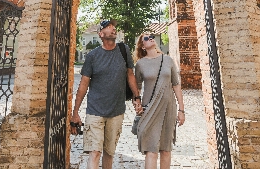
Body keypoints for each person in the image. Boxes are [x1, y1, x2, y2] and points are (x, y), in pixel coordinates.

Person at [70, 19, 143, 169]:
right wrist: (75, 112)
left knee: (109, 153)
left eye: (113, 27)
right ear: (101, 34)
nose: (113, 29)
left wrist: (136, 97)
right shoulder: (92, 56)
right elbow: (83, 84)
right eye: (109, 27)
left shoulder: (124, 50)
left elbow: (130, 74)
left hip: (116, 110)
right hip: (95, 111)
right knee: (95, 152)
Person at [133, 33, 185, 169]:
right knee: (151, 149)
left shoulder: (168, 60)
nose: (150, 38)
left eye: (151, 36)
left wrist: (181, 109)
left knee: (166, 149)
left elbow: (176, 85)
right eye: (146, 38)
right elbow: (136, 89)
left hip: (168, 108)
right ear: (142, 46)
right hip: (149, 109)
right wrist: (136, 103)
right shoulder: (140, 64)